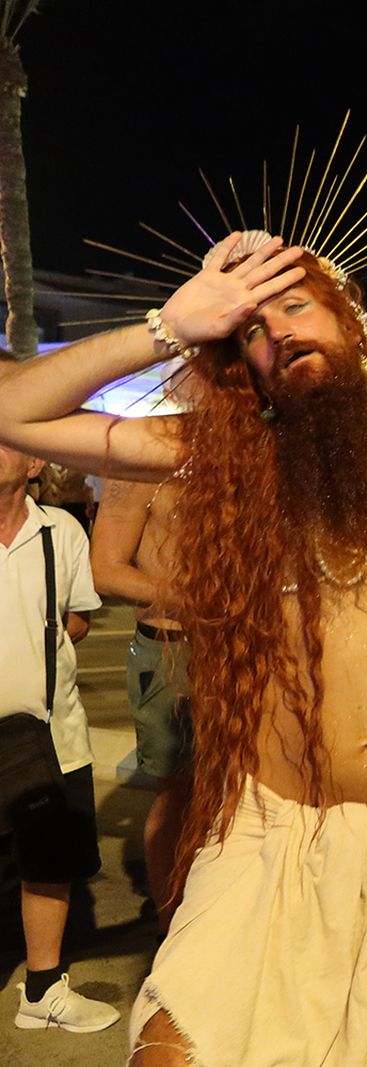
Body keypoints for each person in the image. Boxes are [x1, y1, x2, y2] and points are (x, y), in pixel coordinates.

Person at [0, 230, 367, 1066]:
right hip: (267, 835)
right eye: (248, 328)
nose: (277, 332)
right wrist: (169, 325)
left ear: (349, 320)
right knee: (170, 1048)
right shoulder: (217, 459)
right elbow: (12, 411)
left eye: (294, 305)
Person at [0, 377, 119, 1035]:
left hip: (49, 732)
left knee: (50, 862)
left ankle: (43, 990)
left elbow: (78, 620)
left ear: (34, 458)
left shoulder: (62, 532)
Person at [90, 473, 191, 931]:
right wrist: (192, 598)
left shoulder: (252, 446)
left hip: (250, 646)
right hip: (173, 649)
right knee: (178, 793)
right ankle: (172, 919)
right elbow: (105, 568)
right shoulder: (140, 467)